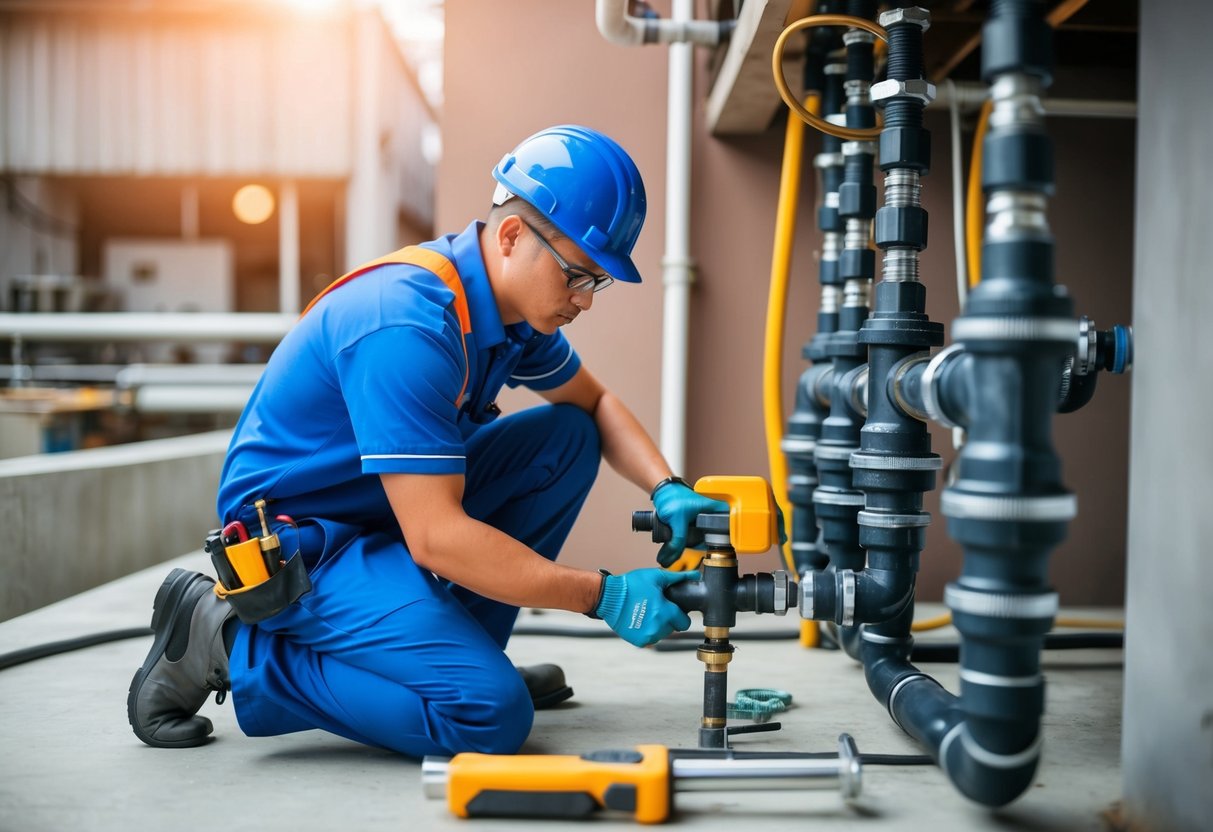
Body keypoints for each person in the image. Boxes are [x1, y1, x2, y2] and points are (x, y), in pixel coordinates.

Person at [127, 125, 729, 757]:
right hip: (303, 546)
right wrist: (601, 594)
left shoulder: (511, 316)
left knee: (567, 438)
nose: (585, 299)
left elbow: (596, 404)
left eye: (597, 281)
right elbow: (436, 537)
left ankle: (456, 655)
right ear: (511, 236)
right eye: (578, 274)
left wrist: (667, 487)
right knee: (488, 717)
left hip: (384, 514)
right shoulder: (406, 324)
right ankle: (226, 642)